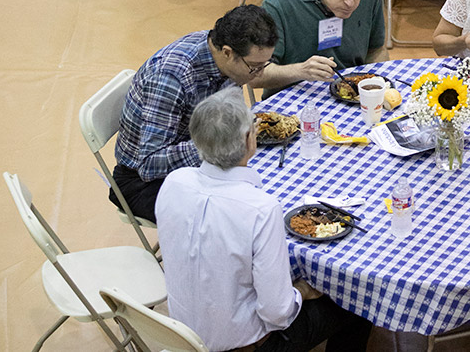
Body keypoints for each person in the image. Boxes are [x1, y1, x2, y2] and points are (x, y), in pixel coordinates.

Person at [155, 88, 373, 351]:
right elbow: (277, 314)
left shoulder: (173, 182)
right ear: (250, 139)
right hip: (245, 345)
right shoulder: (260, 209)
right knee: (357, 301)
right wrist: (301, 291)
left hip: (182, 336)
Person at [110, 5, 277, 223]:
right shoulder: (171, 77)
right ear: (227, 52)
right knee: (239, 219)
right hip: (142, 184)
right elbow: (149, 164)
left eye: (265, 65)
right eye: (254, 67)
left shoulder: (219, 53)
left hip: (201, 162)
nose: (260, 73)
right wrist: (220, 143)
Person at [256, 0, 388, 98]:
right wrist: (300, 71)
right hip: (294, 97)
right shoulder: (281, 0)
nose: (350, 2)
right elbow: (256, 75)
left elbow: (376, 50)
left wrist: (377, 89)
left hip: (350, 95)